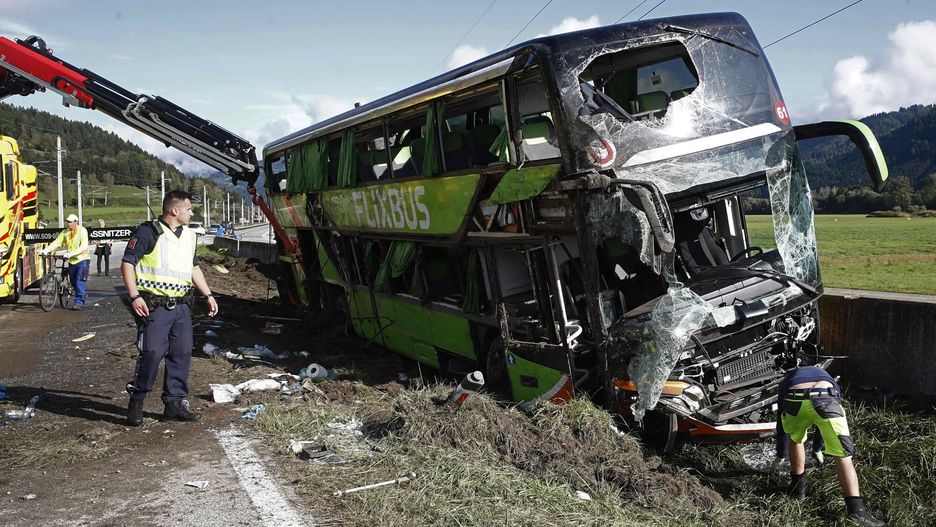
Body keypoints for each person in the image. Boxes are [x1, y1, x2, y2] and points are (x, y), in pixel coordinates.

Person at [122, 190, 218, 426]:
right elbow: (128, 263)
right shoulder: (148, 232)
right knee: (152, 352)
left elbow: (193, 267)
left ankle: (174, 404)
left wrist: (208, 294)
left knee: (182, 353)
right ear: (175, 210)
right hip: (156, 306)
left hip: (182, 307)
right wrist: (134, 296)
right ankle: (137, 401)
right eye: (188, 209)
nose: (191, 212)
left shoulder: (189, 236)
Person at [775, 365, 884, 526]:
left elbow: (780, 423)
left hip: (794, 397)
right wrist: (818, 450)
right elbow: (822, 421)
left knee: (796, 440)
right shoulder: (828, 378)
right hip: (825, 396)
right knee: (843, 455)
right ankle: (857, 511)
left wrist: (780, 454)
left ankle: (798, 490)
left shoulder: (788, 380)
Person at [41, 213, 91, 310]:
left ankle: (79, 302)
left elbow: (84, 246)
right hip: (72, 261)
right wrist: (47, 250)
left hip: (82, 259)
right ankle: (82, 294)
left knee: (79, 280)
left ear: (76, 222)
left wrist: (72, 253)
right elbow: (57, 242)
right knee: (72, 281)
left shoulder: (82, 231)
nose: (68, 224)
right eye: (67, 222)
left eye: (70, 222)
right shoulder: (65, 232)